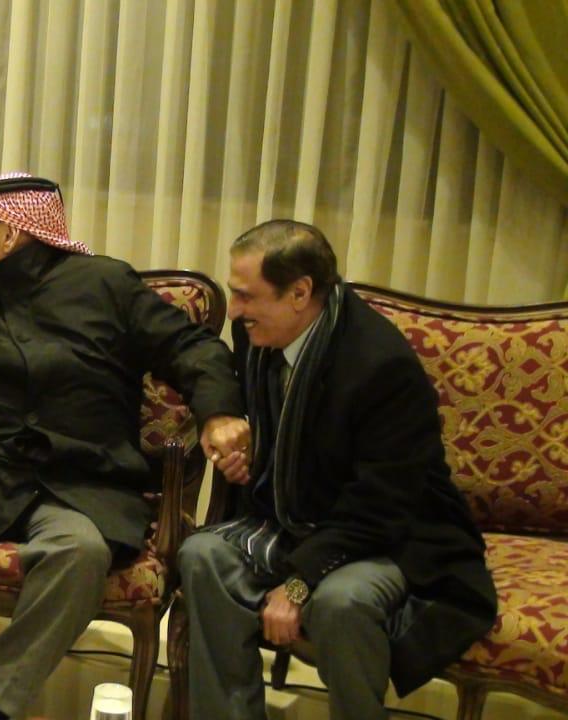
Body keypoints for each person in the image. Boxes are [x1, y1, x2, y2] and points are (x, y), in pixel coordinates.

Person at [0, 173, 249, 720]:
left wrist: (219, 413)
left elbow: (193, 348)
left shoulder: (104, 285)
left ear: (12, 234)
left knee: (81, 552)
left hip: (80, 481)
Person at [177, 219, 498, 720]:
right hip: (294, 521)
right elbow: (238, 384)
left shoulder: (379, 364)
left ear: (300, 293)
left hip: (385, 536)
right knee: (202, 557)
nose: (234, 310)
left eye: (246, 296)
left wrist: (297, 585)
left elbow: (382, 503)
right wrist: (243, 438)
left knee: (341, 602)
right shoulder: (257, 332)